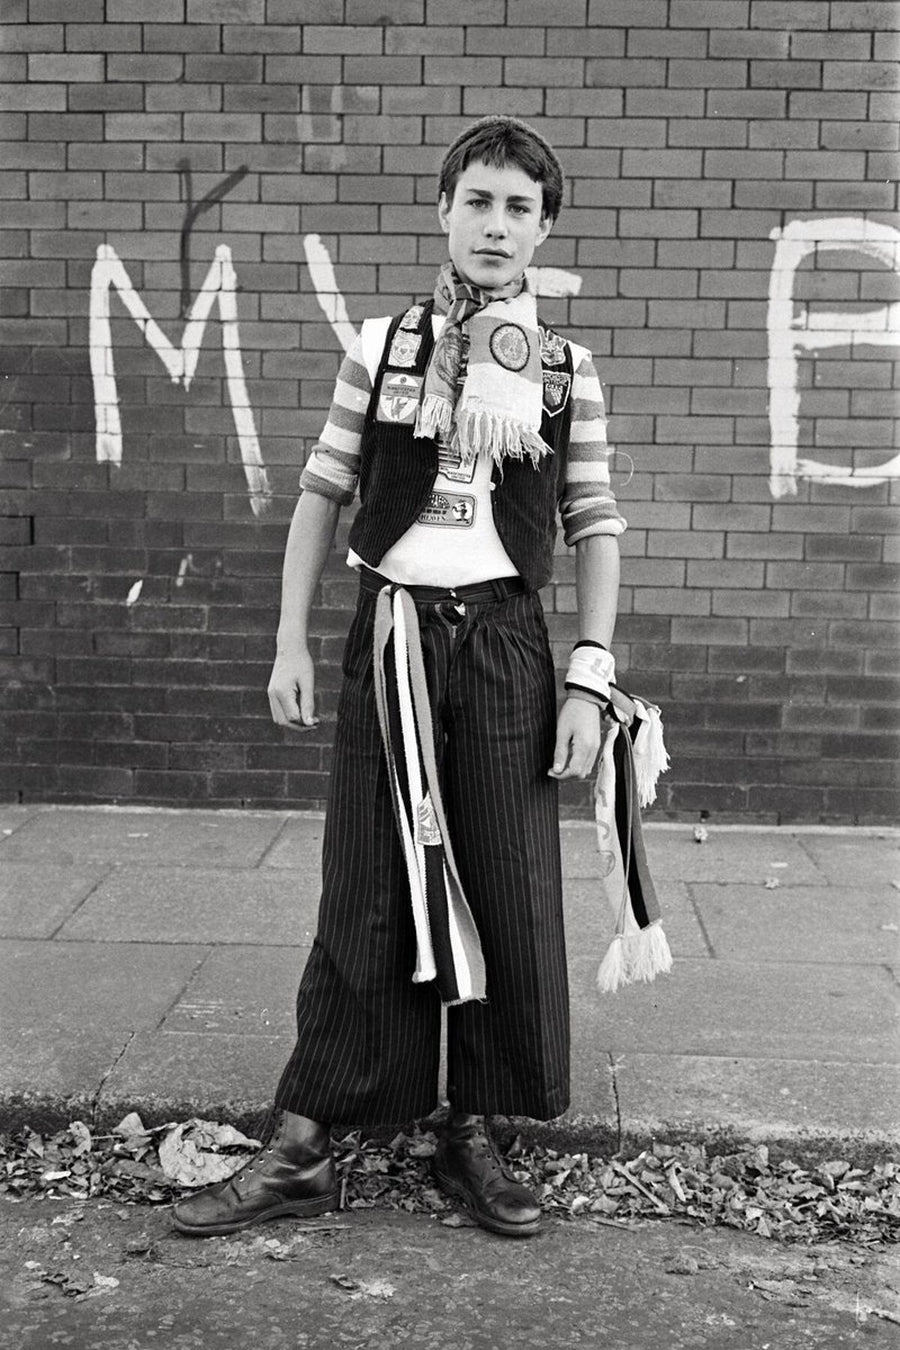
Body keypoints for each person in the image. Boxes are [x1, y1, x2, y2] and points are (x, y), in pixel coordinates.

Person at [173, 115, 627, 1242]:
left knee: (508, 882)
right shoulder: (383, 346)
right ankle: (306, 1142)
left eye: (519, 208)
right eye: (478, 201)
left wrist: (588, 677)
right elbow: (322, 493)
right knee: (366, 884)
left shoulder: (565, 370)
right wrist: (289, 642)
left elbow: (596, 525)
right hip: (390, 637)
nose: (495, 225)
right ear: (443, 211)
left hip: (508, 645)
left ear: (543, 230)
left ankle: (470, 1129)